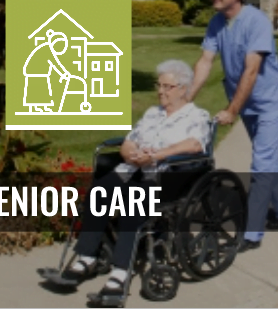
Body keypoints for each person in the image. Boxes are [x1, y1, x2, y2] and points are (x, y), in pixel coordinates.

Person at [58, 60, 211, 300]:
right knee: (99, 192)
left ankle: (119, 274)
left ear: (183, 89)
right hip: (131, 169)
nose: (160, 91)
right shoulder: (152, 113)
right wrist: (130, 152)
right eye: (158, 85)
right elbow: (130, 139)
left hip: (164, 176)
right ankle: (87, 257)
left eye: (168, 87)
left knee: (132, 203)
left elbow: (194, 144)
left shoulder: (196, 116)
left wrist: (157, 155)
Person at [189, 0, 278, 253]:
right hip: (246, 100)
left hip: (269, 99)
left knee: (261, 161)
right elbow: (205, 62)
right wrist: (185, 98)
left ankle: (251, 234)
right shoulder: (216, 23)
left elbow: (251, 71)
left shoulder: (256, 21)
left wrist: (232, 110)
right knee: (268, 154)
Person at [22, 29, 70, 112]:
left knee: (42, 90)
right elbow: (55, 63)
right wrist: (64, 73)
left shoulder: (46, 48)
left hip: (40, 73)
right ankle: (36, 107)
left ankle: (41, 106)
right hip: (35, 72)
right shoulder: (47, 50)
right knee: (37, 89)